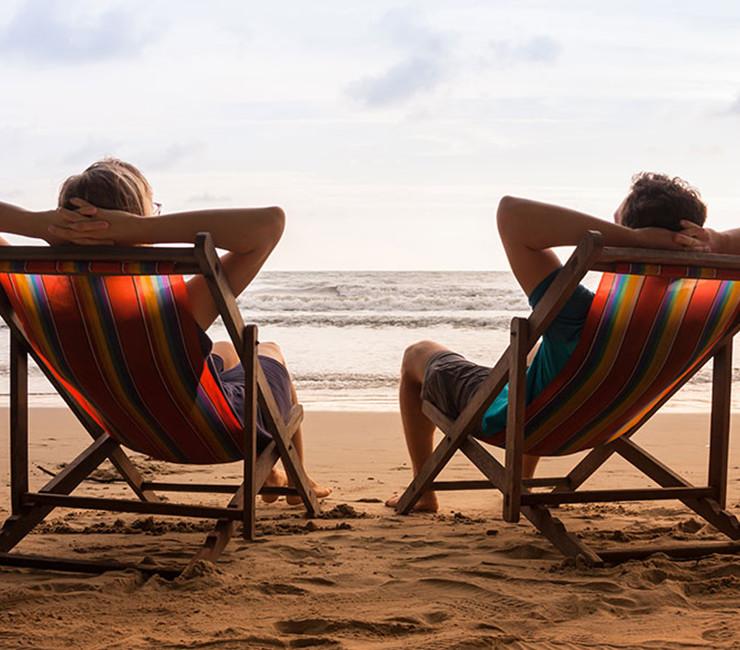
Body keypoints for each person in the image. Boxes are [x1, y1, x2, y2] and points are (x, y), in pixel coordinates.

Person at [0, 158, 330, 504]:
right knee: (269, 350)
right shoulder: (168, 308)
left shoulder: (34, 298)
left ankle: (278, 475)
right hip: (215, 433)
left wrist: (36, 225)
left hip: (129, 427)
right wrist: (139, 231)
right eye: (150, 213)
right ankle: (298, 478)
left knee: (225, 351)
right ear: (129, 222)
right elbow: (270, 223)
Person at [386, 172, 708, 513]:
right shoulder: (692, 316)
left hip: (523, 422)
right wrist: (695, 242)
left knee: (417, 354)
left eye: (618, 222)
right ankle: (522, 480)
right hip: (605, 424)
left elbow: (511, 214)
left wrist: (632, 240)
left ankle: (424, 492)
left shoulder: (580, 314)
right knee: (542, 353)